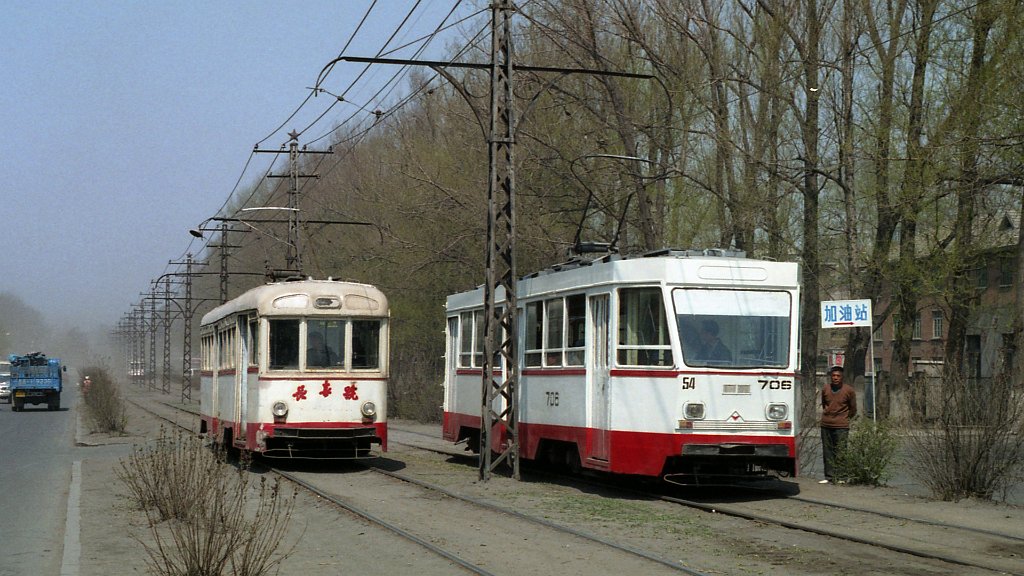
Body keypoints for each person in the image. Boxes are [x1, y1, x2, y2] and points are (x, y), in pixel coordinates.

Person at [820, 365, 857, 484]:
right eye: (833, 376)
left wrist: (844, 418)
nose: (835, 378)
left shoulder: (849, 390)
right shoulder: (825, 389)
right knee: (827, 451)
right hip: (826, 424)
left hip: (841, 426)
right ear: (831, 377)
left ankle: (842, 476)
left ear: (842, 377)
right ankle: (829, 476)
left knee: (841, 451)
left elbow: (853, 409)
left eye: (838, 376)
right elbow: (824, 403)